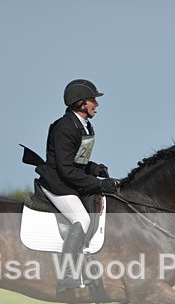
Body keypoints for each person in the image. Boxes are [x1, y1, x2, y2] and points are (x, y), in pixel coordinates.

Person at [34, 79, 120, 291]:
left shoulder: (82, 125)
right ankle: (67, 274)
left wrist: (94, 169)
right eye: (92, 100)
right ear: (81, 103)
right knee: (82, 219)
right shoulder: (65, 127)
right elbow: (66, 169)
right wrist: (99, 184)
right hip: (57, 184)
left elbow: (77, 161)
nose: (96, 105)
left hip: (69, 180)